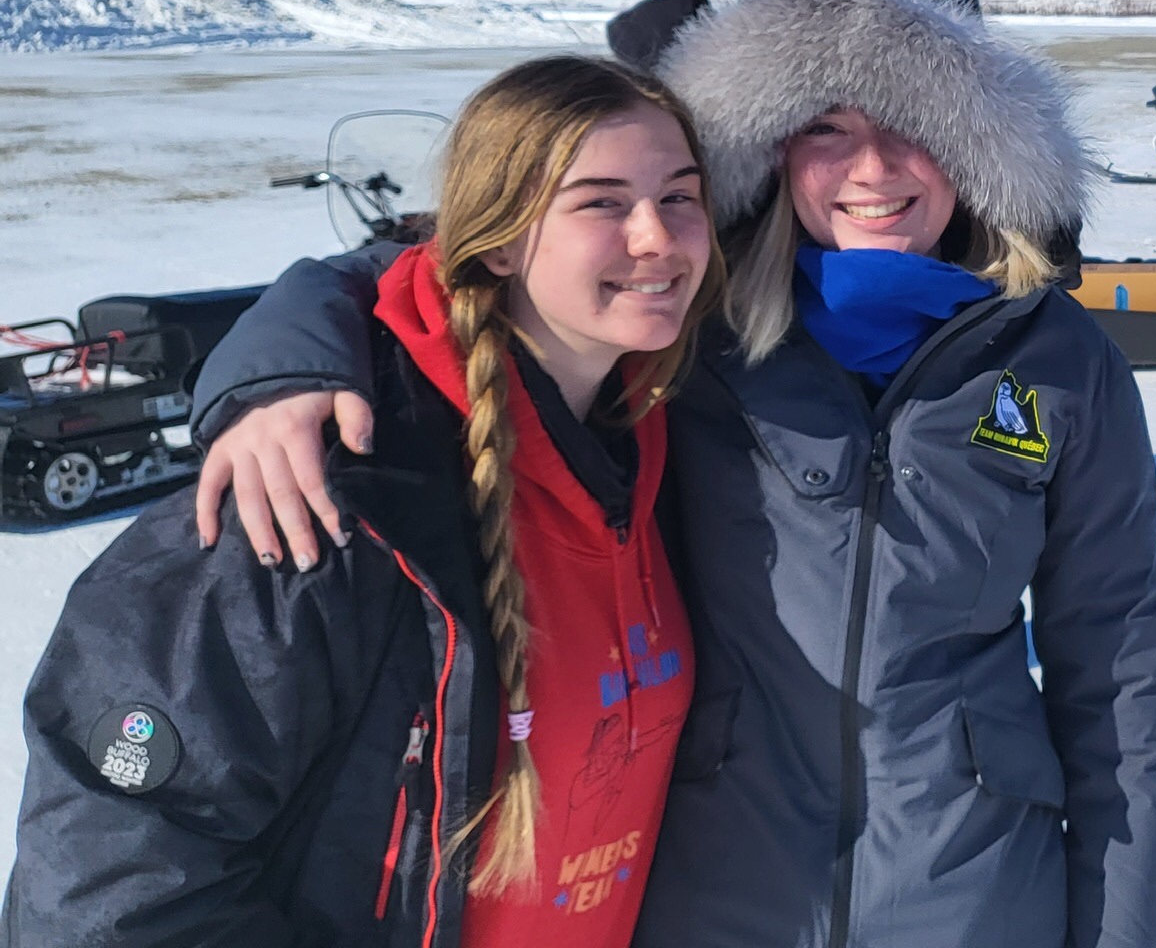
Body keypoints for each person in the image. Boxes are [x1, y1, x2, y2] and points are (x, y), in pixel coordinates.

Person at [182, 0, 1156, 947]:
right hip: (711, 884)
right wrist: (283, 366)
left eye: (913, 128)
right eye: (825, 130)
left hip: (976, 893)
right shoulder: (689, 327)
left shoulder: (1058, 361)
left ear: (975, 151)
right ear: (774, 154)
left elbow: (1118, 673)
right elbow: (453, 268)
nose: (871, 170)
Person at [8, 56, 724, 946]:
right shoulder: (327, 493)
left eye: (681, 196)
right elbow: (110, 892)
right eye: (601, 202)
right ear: (498, 239)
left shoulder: (669, 440)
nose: (657, 237)